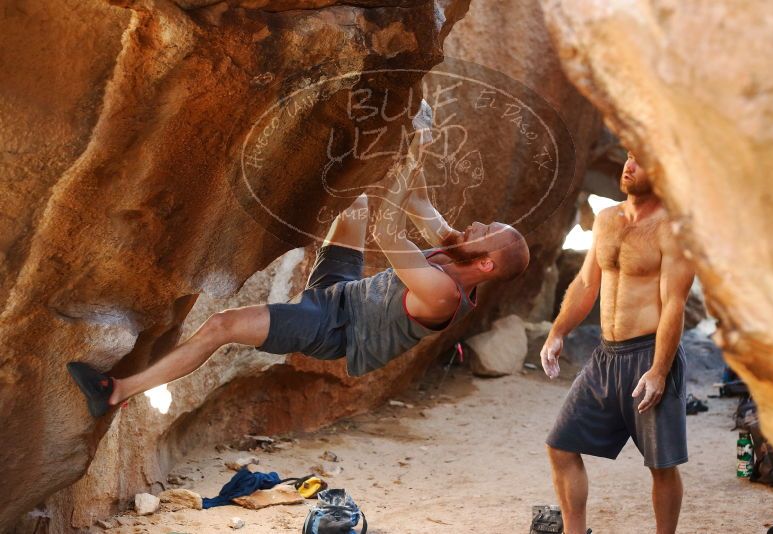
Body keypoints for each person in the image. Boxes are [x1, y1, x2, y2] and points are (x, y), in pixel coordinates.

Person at [68, 105, 530, 418]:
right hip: (343, 292)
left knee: (223, 326)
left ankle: (116, 394)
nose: (476, 226)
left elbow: (389, 233)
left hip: (334, 328)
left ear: (485, 264)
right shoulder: (455, 250)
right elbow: (419, 204)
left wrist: (416, 155)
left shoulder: (444, 295)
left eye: (485, 233)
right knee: (355, 202)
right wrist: (418, 138)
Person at [539, 152, 695, 534]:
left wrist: (659, 371)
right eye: (628, 157)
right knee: (560, 445)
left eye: (640, 161)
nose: (629, 166)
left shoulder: (675, 230)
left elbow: (675, 304)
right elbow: (586, 284)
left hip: (649, 354)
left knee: (662, 466)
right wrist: (558, 332)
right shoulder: (608, 219)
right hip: (605, 358)